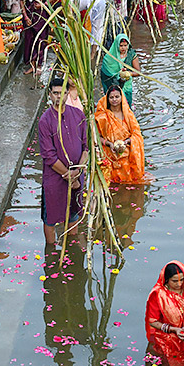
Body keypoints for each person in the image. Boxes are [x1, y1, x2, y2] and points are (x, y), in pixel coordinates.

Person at [38, 76, 87, 246]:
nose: (59, 96)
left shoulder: (78, 115)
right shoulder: (45, 120)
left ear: (68, 94)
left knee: (74, 211)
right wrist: (68, 174)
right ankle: (51, 249)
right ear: (49, 94)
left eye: (62, 93)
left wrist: (78, 171)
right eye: (55, 93)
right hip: (55, 178)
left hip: (76, 174)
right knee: (50, 217)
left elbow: (85, 147)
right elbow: (49, 156)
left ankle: (72, 245)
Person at [94, 83, 146, 185]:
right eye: (111, 97)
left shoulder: (128, 115)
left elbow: (137, 135)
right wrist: (109, 144)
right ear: (107, 99)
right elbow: (97, 137)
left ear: (121, 98)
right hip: (110, 155)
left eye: (117, 97)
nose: (114, 100)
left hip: (127, 156)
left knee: (128, 184)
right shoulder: (102, 117)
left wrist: (126, 142)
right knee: (111, 184)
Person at [100, 32, 140, 106]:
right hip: (112, 85)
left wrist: (128, 73)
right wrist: (117, 76)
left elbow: (138, 72)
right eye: (121, 46)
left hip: (126, 85)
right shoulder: (109, 57)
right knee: (113, 102)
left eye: (125, 45)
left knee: (126, 105)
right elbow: (105, 74)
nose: (123, 48)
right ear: (116, 45)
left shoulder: (131, 55)